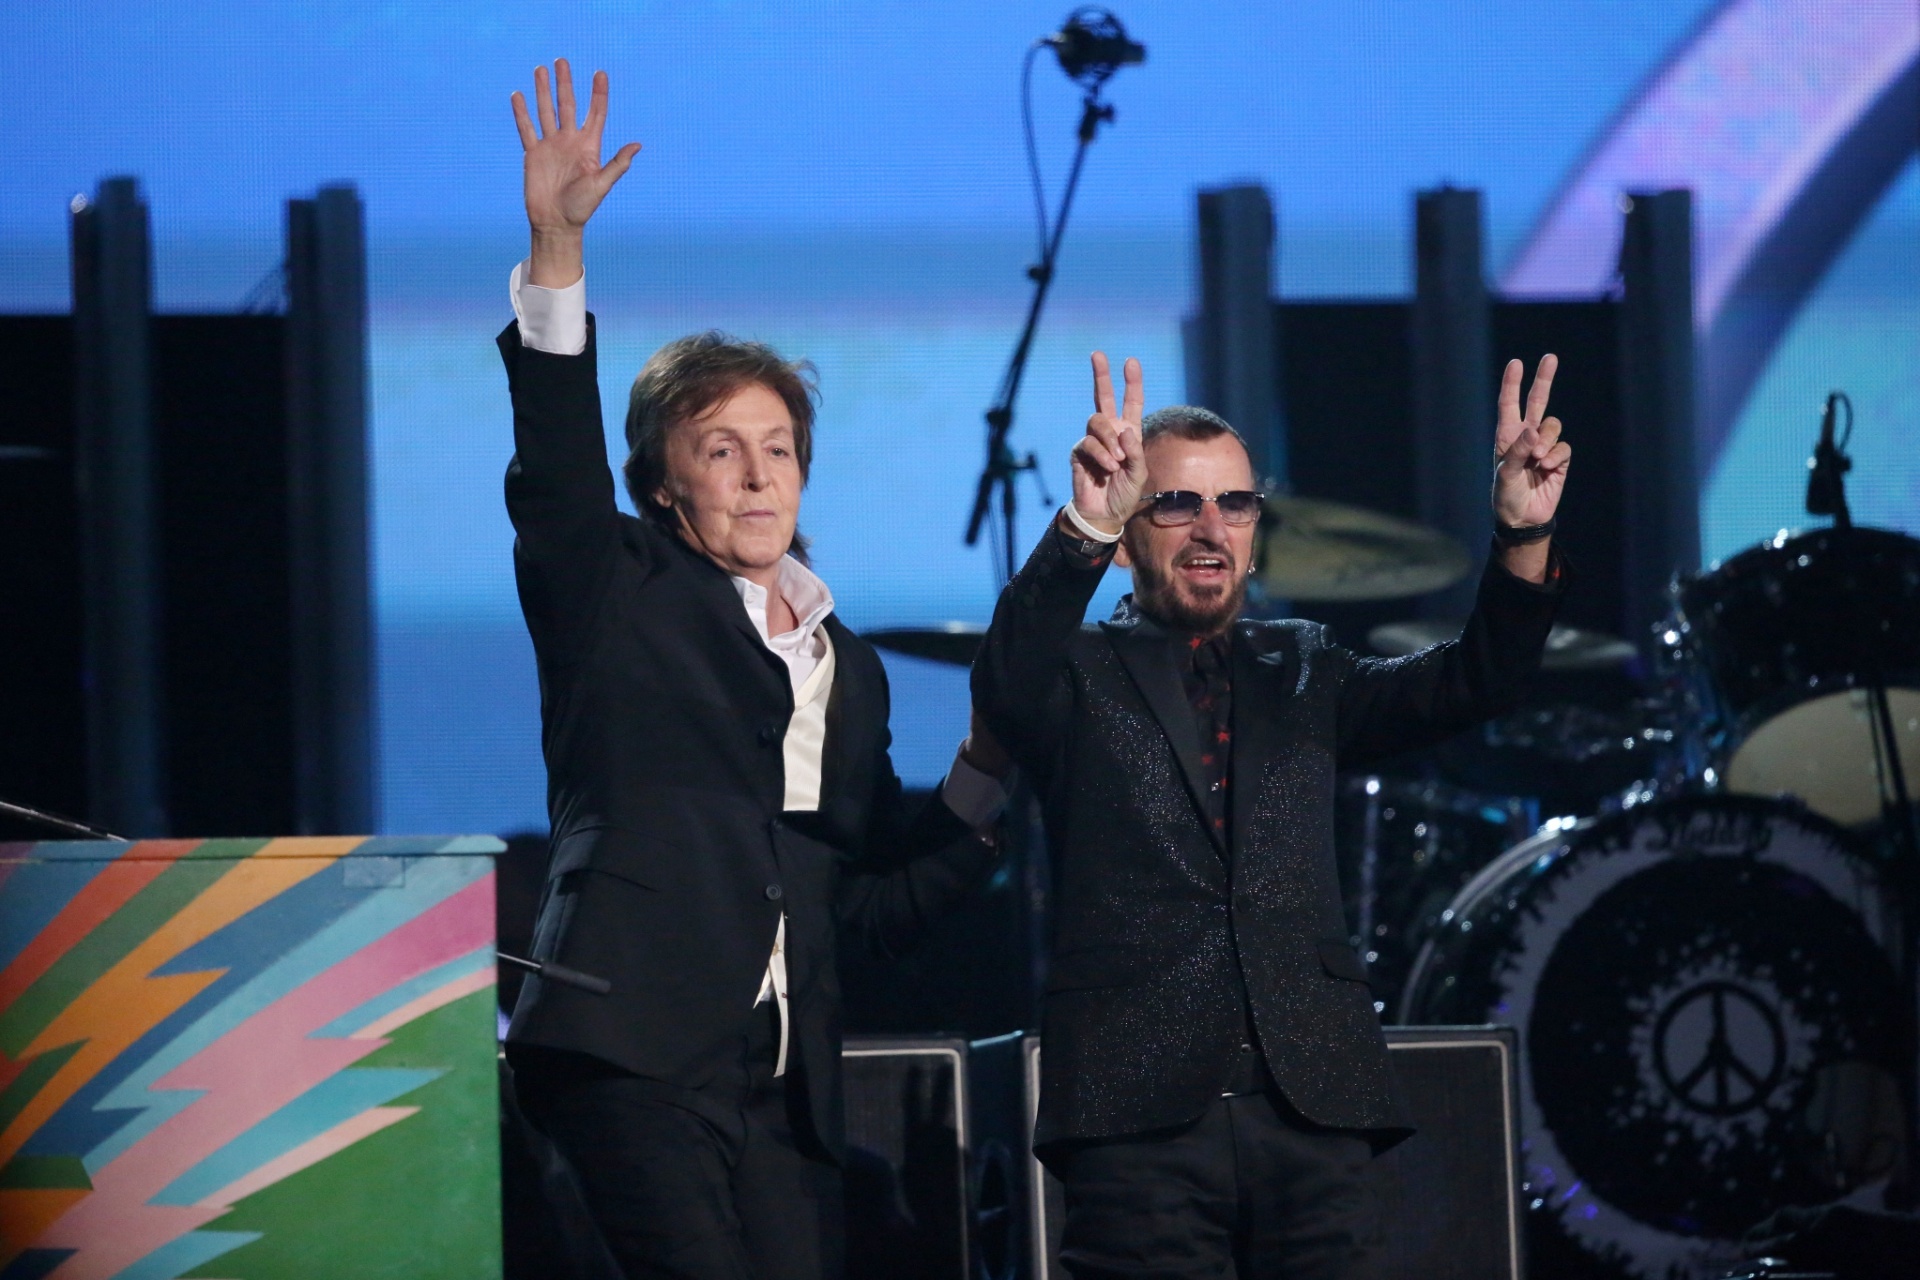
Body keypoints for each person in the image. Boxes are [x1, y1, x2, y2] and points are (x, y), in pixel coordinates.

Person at [497, 60, 1009, 1280]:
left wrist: (984, 788)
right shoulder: (615, 587)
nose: (758, 472)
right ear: (665, 482)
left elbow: (861, 889)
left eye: (779, 446)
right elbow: (557, 462)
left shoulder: (851, 665)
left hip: (784, 1083)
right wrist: (555, 251)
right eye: (720, 447)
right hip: (628, 1044)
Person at [971, 351, 1571, 1279]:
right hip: (1139, 1111)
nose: (1212, 529)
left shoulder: (1305, 665)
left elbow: (1474, 681)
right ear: (1130, 531)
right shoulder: (1074, 673)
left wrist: (1521, 538)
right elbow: (1003, 684)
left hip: (1314, 1104)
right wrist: (1083, 520)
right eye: (1177, 504)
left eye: (1236, 504)